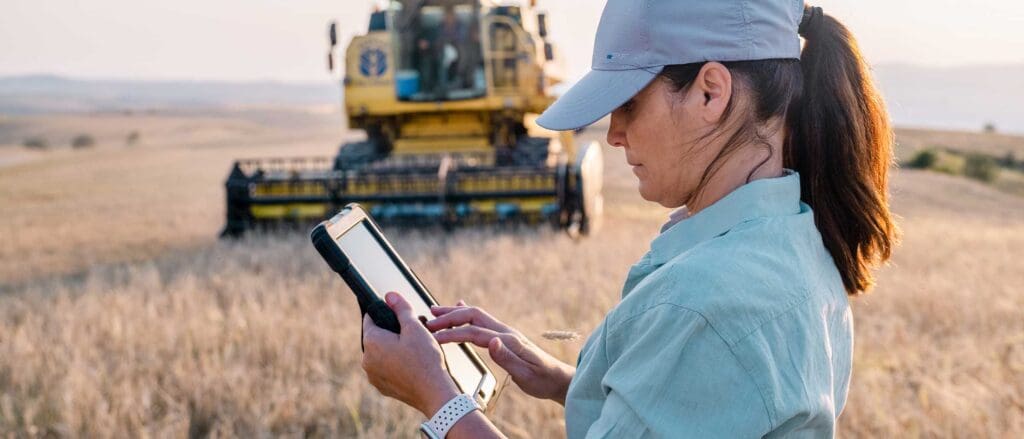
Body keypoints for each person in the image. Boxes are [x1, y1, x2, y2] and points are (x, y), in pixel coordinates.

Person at [359, 0, 897, 437]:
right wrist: (569, 382)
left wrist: (437, 396)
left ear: (711, 92)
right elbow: (717, 408)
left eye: (629, 103)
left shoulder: (703, 304)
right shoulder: (798, 239)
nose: (614, 134)